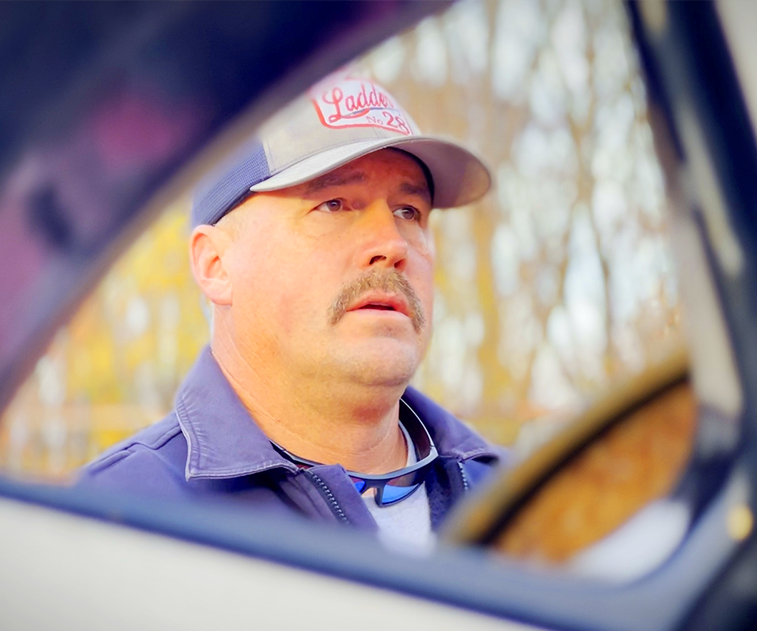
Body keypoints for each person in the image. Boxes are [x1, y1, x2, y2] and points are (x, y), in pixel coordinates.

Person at [77, 74, 500, 551]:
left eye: (409, 212)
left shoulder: (533, 506)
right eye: (335, 204)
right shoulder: (120, 519)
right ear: (216, 266)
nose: (392, 245)